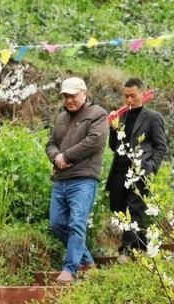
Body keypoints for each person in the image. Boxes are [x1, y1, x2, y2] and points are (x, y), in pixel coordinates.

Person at [45, 77, 108, 282]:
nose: (69, 100)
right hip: (61, 178)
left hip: (84, 178)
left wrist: (67, 156)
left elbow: (95, 141)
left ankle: (70, 269)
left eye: (73, 95)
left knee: (77, 223)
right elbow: (51, 143)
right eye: (66, 96)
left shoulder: (98, 114)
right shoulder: (61, 118)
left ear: (84, 93)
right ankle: (87, 260)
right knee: (56, 223)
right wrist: (56, 157)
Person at [106, 78, 167, 262]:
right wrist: (113, 128)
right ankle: (143, 244)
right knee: (117, 208)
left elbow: (161, 146)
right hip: (119, 170)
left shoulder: (153, 117)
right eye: (126, 96)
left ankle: (126, 248)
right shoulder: (121, 116)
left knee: (134, 210)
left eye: (133, 96)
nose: (129, 100)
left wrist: (151, 168)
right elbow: (113, 146)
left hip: (141, 170)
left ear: (142, 93)